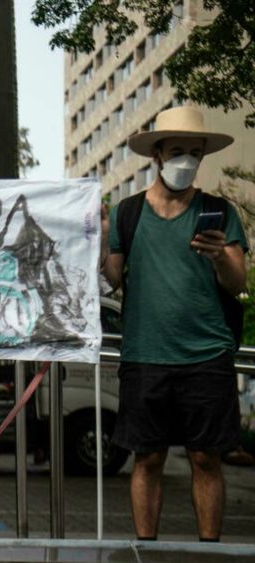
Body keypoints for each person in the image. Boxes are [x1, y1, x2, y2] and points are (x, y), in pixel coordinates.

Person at [100, 106, 247, 542]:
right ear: (157, 155)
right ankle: (146, 549)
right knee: (147, 459)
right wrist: (94, 236)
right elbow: (112, 277)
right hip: (145, 356)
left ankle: (210, 550)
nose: (185, 160)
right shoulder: (127, 214)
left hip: (208, 356)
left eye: (194, 152)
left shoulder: (220, 213)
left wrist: (220, 254)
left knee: (206, 459)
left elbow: (238, 281)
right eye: (177, 150)